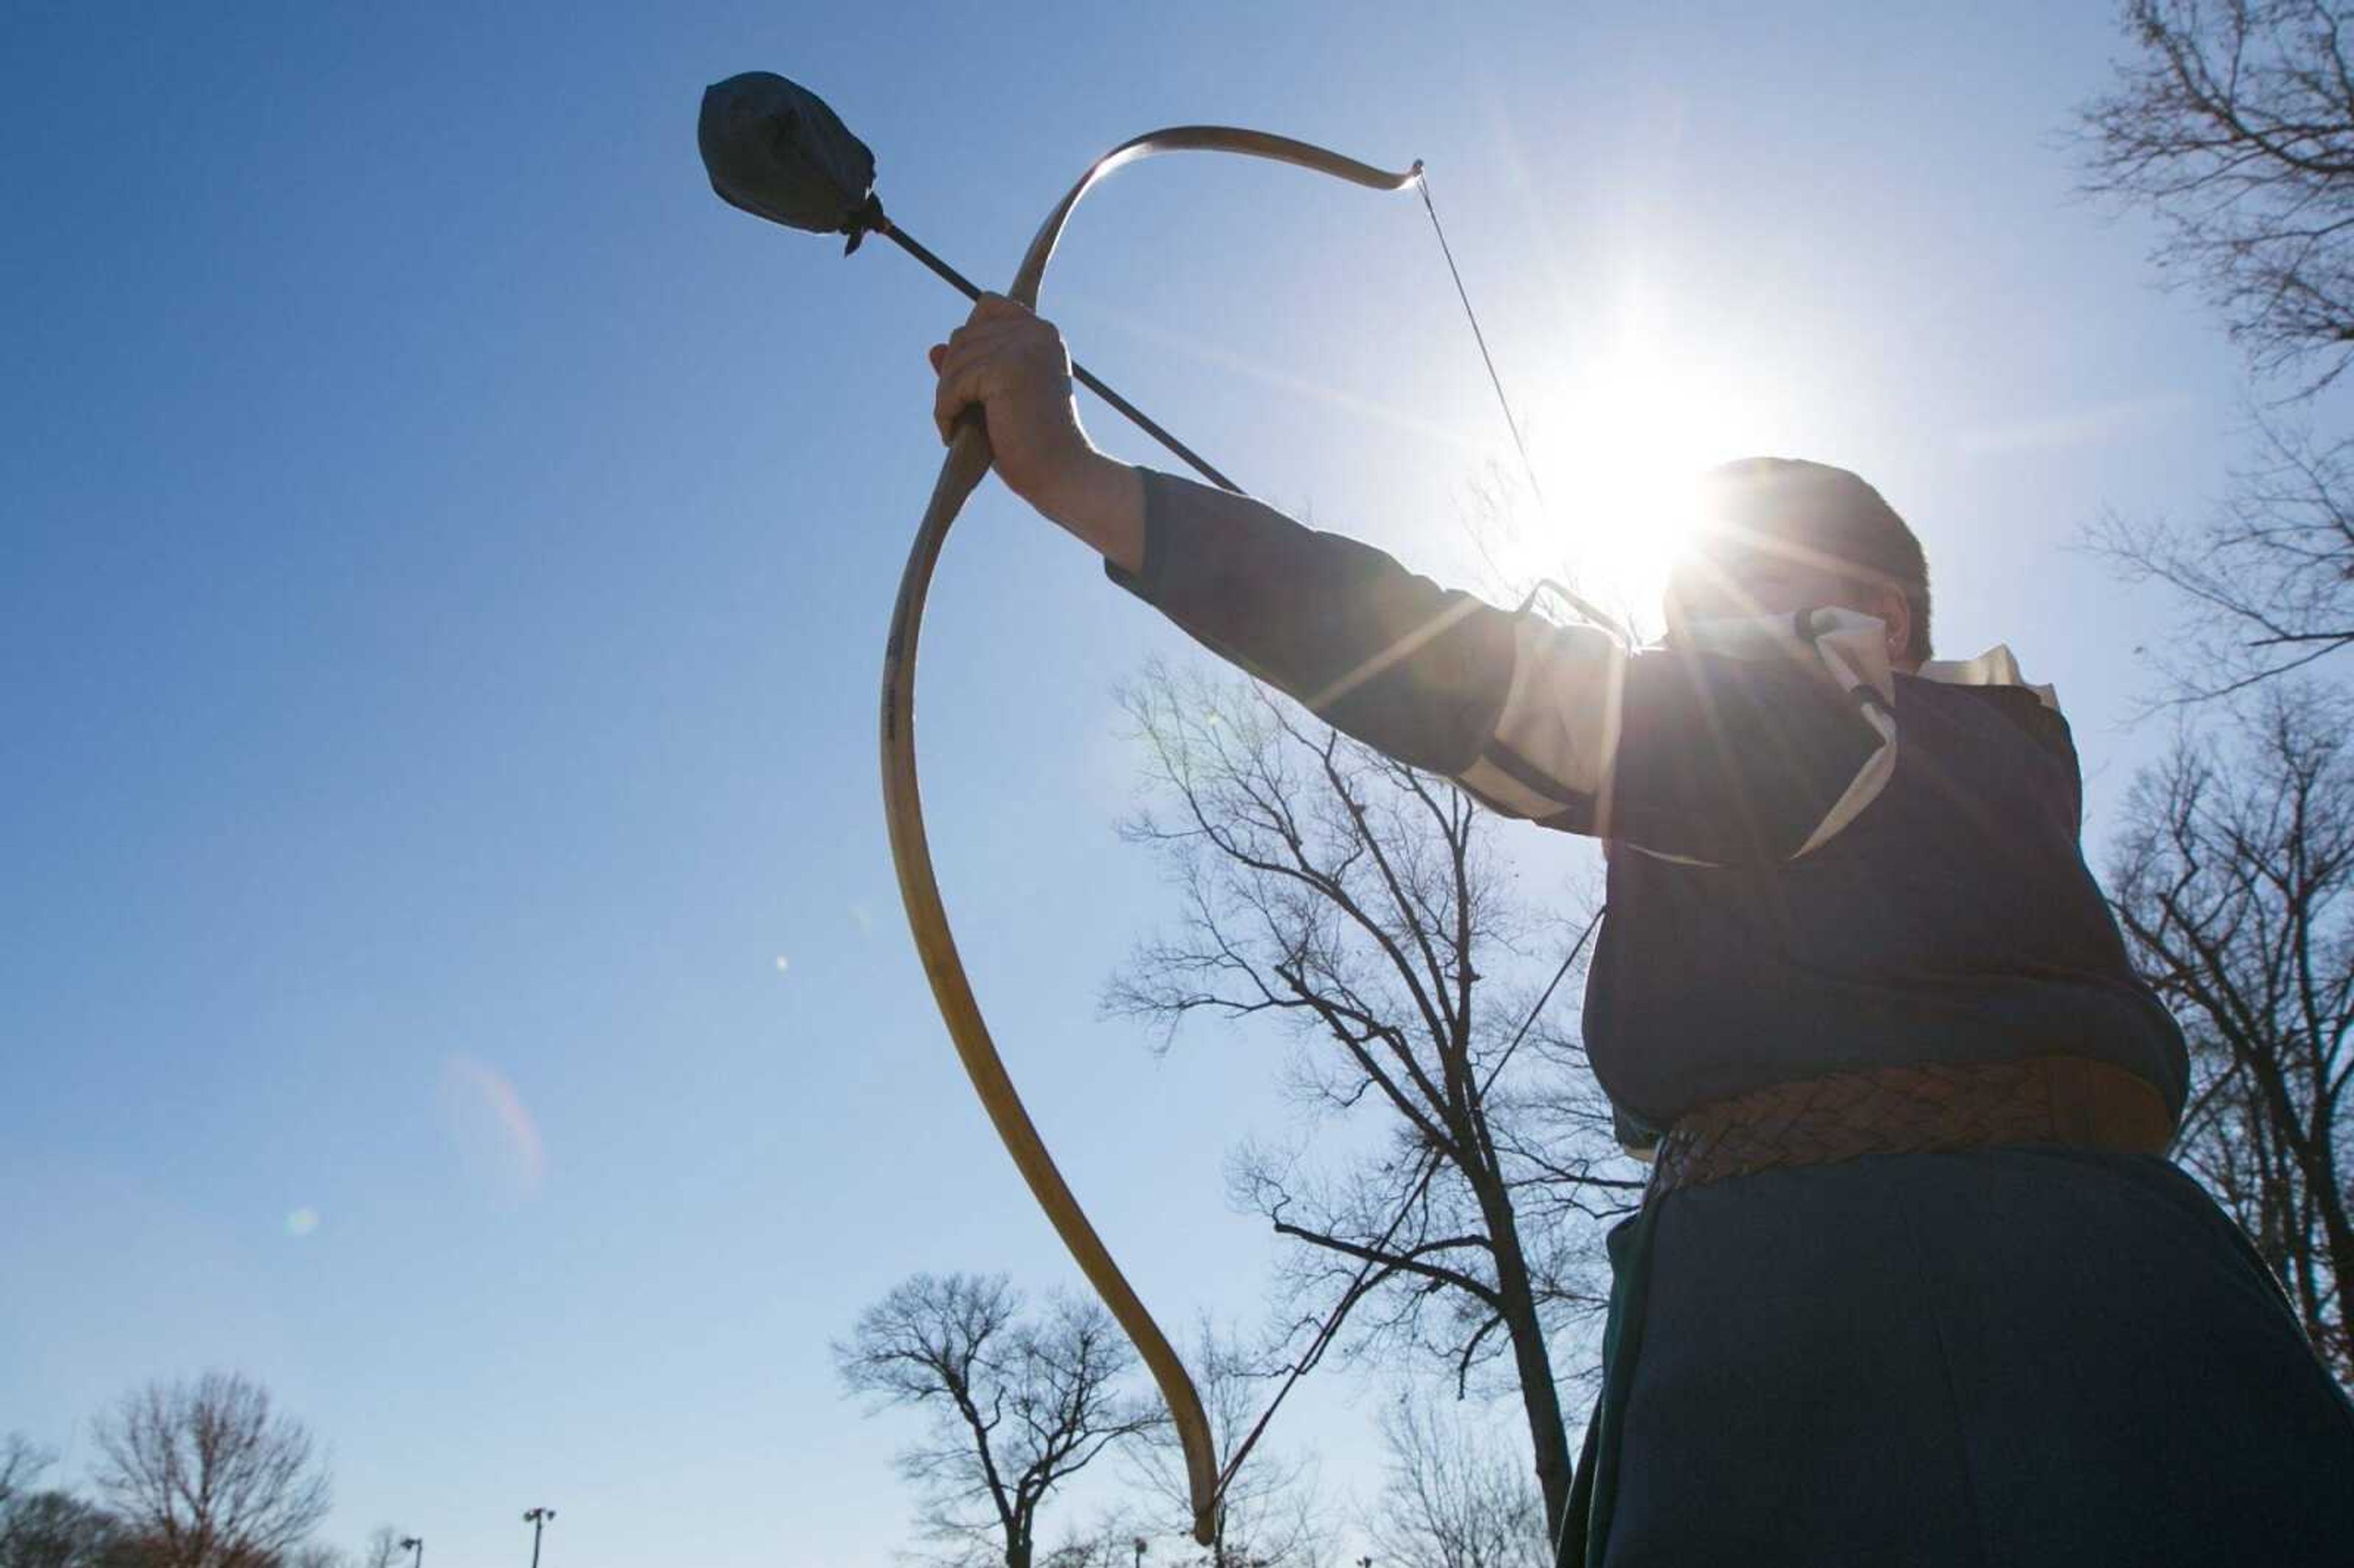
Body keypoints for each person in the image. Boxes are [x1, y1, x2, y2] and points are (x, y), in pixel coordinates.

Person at [926, 294, 2354, 1564]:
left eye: (1737, 600)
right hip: (1780, 1330)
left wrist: (1092, 485)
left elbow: (1494, 684)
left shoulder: (1859, 722)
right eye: (1683, 620)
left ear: (1885, 617)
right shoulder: (1855, 761)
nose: (1690, 650)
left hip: (1965, 1338)